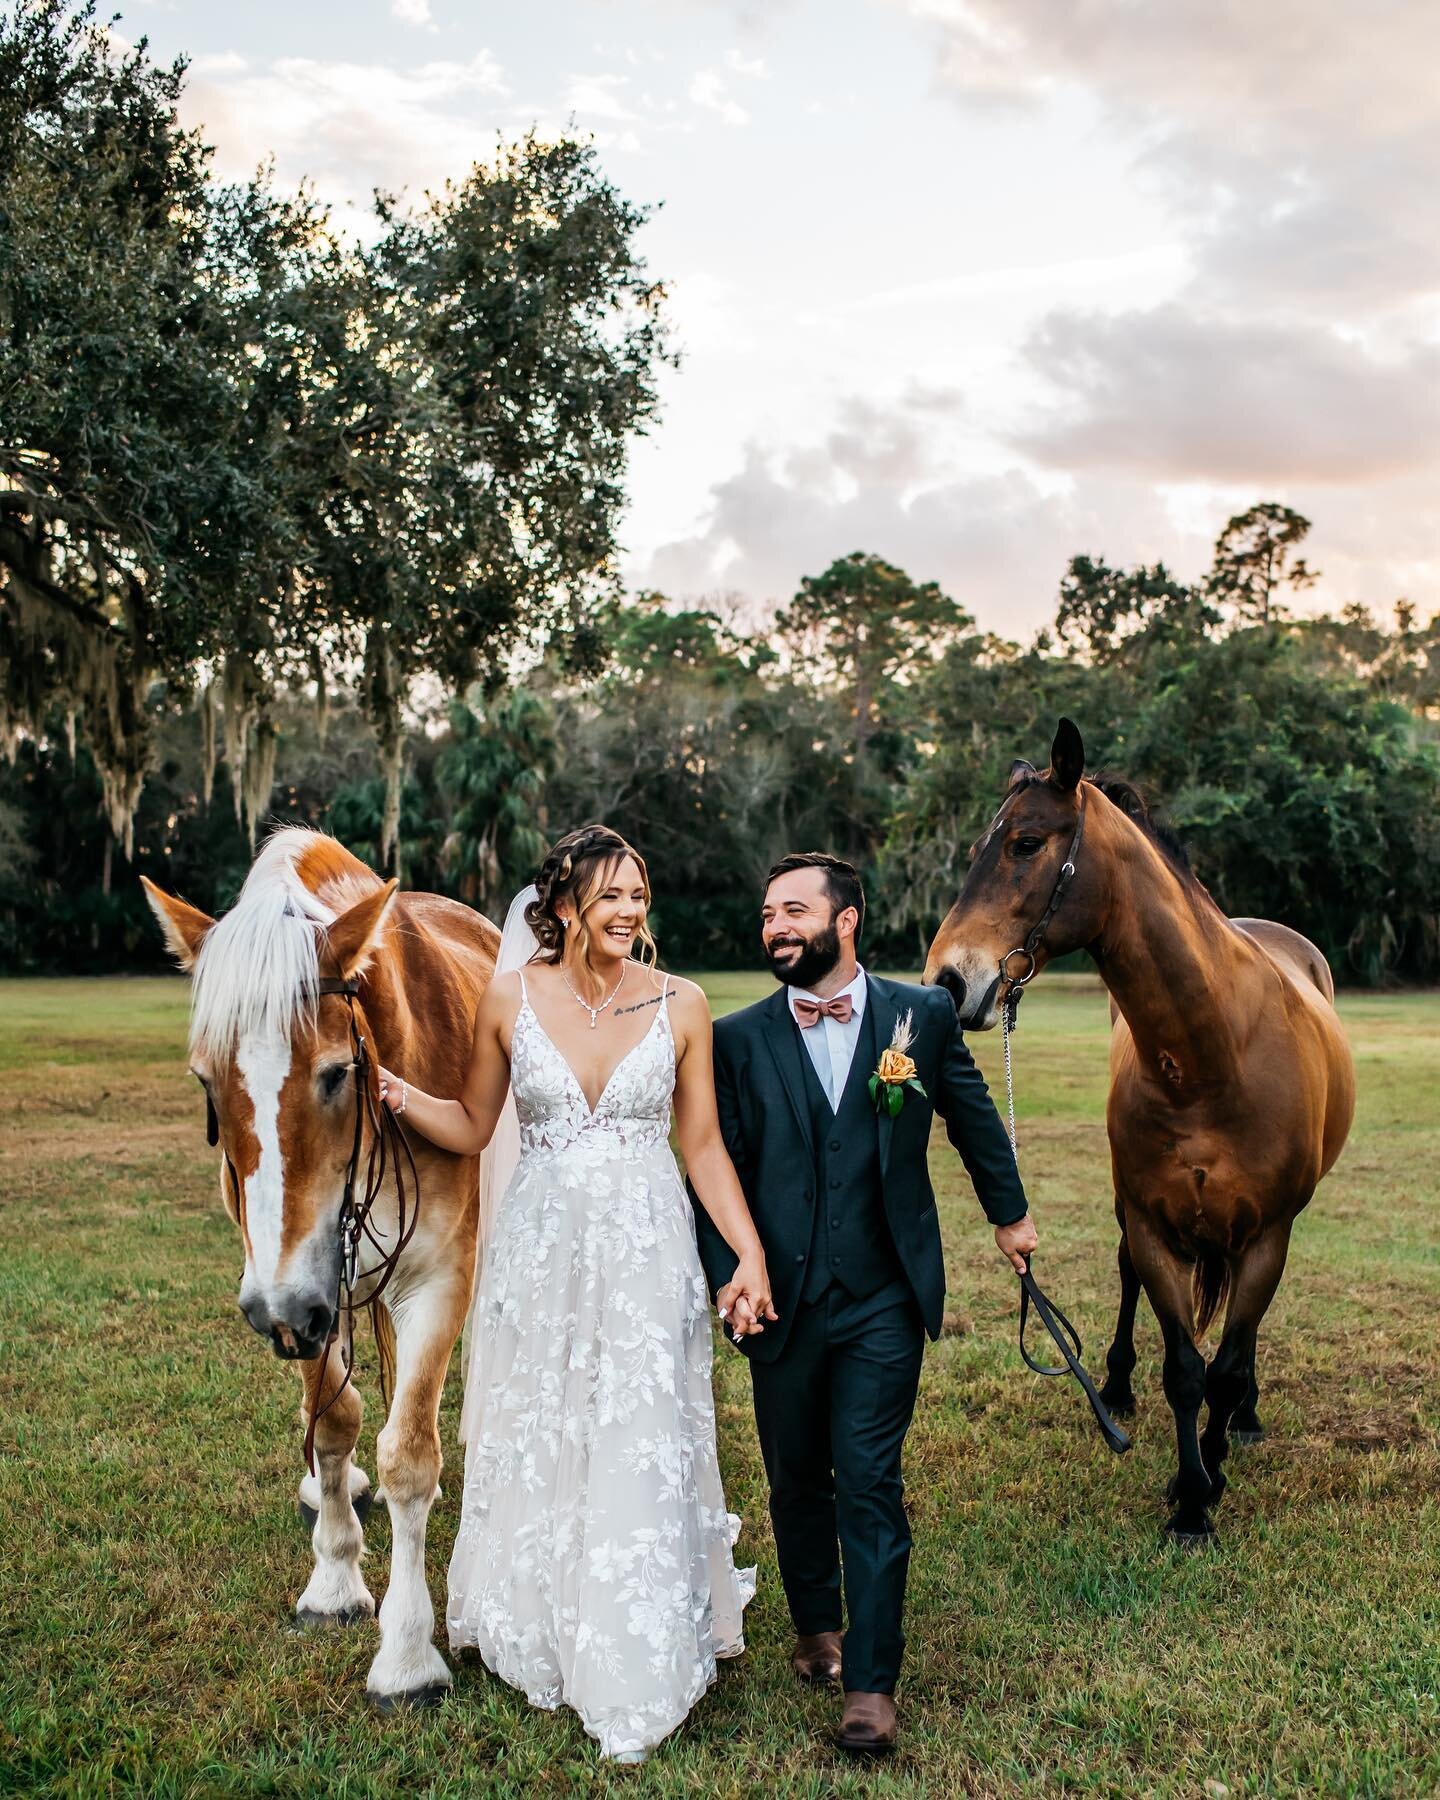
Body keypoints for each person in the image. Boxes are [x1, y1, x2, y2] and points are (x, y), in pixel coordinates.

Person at [379, 824, 774, 1763]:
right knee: (546, 1420)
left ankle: (638, 1635)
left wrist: (747, 1253)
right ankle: (538, 1617)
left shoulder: (682, 1004)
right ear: (562, 908)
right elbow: (475, 1126)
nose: (630, 912)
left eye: (638, 895)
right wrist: (398, 1094)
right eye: (610, 897)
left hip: (648, 1250)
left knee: (638, 1425)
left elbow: (703, 1147)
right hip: (541, 1251)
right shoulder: (508, 997)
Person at [688, 852, 1037, 1757]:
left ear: (847, 922)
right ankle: (816, 1625)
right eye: (768, 914)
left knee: (870, 1482)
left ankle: (873, 1685)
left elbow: (968, 1111)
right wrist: (732, 1272)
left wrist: (1011, 1216)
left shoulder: (916, 1017)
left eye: (794, 911)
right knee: (797, 1475)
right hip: (782, 1300)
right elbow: (711, 1168)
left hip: (885, 1291)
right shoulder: (736, 1038)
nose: (775, 927)